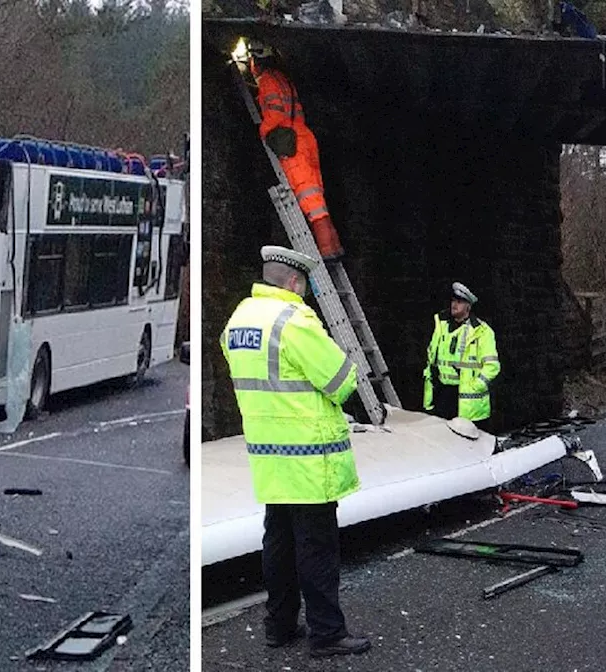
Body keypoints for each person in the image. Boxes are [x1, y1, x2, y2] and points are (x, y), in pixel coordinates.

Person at [220, 245, 371, 658]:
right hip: (308, 459)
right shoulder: (296, 320)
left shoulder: (238, 319)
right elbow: (342, 381)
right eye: (305, 285)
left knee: (278, 545)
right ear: (294, 282)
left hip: (269, 459)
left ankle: (279, 625)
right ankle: (326, 633)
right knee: (317, 548)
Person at [245, 41, 344, 260]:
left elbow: (275, 115)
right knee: (318, 199)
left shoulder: (268, 81)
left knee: (311, 202)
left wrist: (263, 130)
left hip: (293, 144)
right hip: (305, 137)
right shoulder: (283, 79)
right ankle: (334, 246)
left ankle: (327, 251)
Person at [422, 282, 501, 434]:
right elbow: (432, 357)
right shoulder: (441, 325)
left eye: (459, 302)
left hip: (467, 401)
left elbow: (492, 366)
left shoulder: (482, 331)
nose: (454, 305)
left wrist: (476, 386)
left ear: (468, 306)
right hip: (442, 395)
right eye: (453, 301)